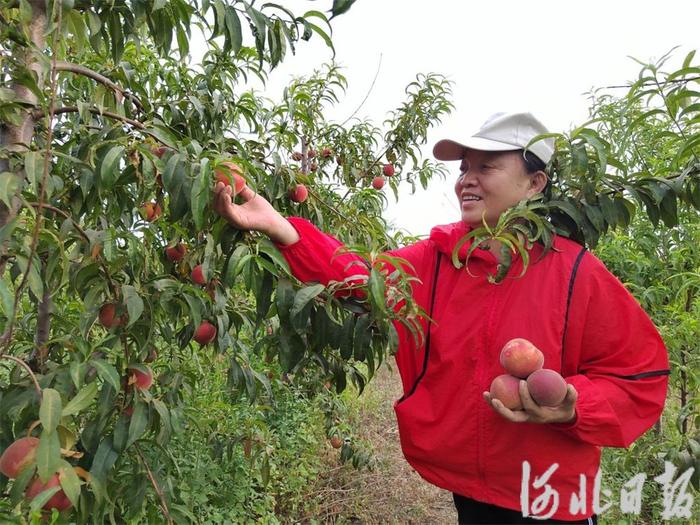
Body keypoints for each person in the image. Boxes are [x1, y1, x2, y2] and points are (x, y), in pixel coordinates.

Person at [213, 112, 670, 524]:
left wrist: (573, 406)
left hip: (550, 496)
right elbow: (363, 275)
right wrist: (280, 225)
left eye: (486, 166)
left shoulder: (574, 272)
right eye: (464, 168)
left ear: (535, 183)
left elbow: (639, 375)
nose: (467, 180)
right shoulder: (438, 259)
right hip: (469, 489)